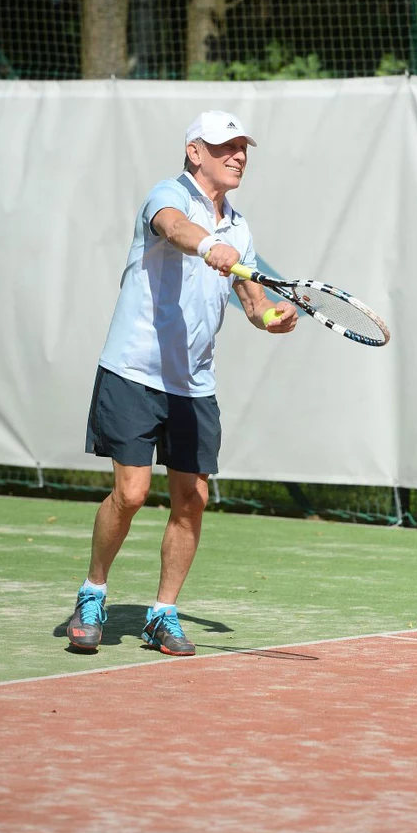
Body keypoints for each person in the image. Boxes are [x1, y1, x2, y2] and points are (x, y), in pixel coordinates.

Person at [68, 110, 298, 656]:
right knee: (131, 492)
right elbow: (173, 227)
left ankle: (161, 614)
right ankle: (92, 591)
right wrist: (206, 245)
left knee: (192, 498)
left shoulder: (239, 228)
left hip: (193, 384)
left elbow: (252, 301)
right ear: (196, 152)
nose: (238, 156)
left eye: (243, 147)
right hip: (133, 371)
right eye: (226, 147)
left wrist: (271, 319)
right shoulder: (164, 196)